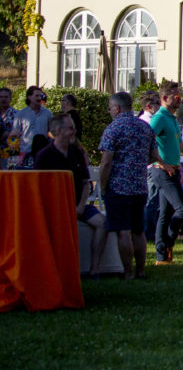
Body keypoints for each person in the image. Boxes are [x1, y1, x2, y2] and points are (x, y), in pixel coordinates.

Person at [36, 114, 107, 278]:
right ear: (59, 131)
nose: (74, 131)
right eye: (71, 128)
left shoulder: (76, 153)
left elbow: (84, 183)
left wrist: (81, 206)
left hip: (77, 204)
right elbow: (39, 188)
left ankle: (94, 269)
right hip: (55, 207)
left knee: (102, 223)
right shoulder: (44, 156)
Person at [98, 91, 158, 280]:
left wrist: (102, 184)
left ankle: (128, 272)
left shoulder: (113, 129)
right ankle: (141, 270)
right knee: (138, 231)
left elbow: (106, 161)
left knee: (123, 230)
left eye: (110, 108)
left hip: (118, 186)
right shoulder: (144, 127)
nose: (110, 111)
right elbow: (154, 155)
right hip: (140, 185)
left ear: (117, 108)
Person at [148, 81, 183, 264]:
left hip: (173, 170)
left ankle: (162, 257)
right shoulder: (159, 118)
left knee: (166, 213)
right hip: (161, 172)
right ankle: (166, 246)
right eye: (176, 96)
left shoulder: (172, 119)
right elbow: (146, 139)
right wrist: (160, 162)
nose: (180, 99)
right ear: (164, 98)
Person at [12, 85, 53, 158]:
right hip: (25, 153)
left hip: (42, 153)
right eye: (36, 96)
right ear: (29, 97)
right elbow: (14, 135)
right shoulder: (21, 114)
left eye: (40, 96)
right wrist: (15, 154)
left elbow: (51, 133)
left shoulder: (47, 113)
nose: (39, 98)